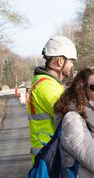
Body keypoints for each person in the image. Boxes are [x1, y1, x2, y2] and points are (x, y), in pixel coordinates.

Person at [27, 36, 77, 164]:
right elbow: (76, 116)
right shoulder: (47, 87)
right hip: (50, 162)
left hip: (49, 158)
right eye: (71, 61)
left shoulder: (47, 84)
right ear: (60, 61)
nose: (72, 65)